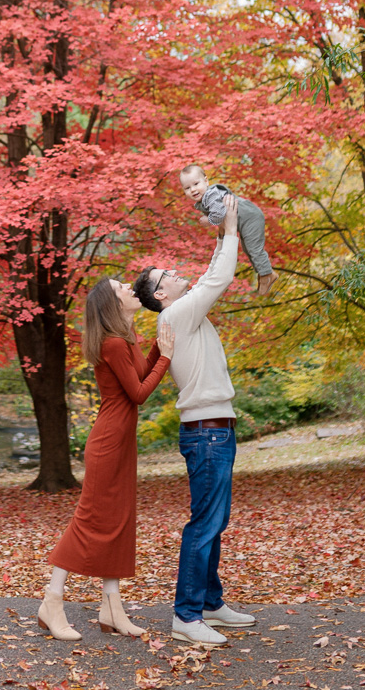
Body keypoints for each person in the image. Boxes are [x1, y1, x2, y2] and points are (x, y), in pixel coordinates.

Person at [132, 196, 256, 648]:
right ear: (161, 294)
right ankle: (186, 615)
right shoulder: (176, 313)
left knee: (214, 520)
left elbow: (207, 275)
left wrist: (220, 227)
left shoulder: (183, 310)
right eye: (165, 275)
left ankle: (208, 602)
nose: (174, 271)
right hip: (207, 435)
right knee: (204, 522)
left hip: (216, 430)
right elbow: (219, 277)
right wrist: (230, 229)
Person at [38, 277, 175, 641]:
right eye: (122, 288)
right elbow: (139, 393)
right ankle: (52, 601)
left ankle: (112, 608)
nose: (132, 288)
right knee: (89, 520)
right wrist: (168, 357)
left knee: (119, 520)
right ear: (111, 303)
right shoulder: (113, 342)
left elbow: (140, 374)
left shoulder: (124, 337)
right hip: (108, 442)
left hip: (120, 441)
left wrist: (160, 350)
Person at [180, 164, 278, 293]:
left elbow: (219, 214)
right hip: (244, 219)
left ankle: (267, 274)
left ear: (206, 181)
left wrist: (208, 220)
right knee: (247, 248)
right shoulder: (205, 199)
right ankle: (263, 272)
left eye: (196, 184)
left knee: (254, 248)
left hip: (249, 217)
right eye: (187, 188)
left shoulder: (211, 195)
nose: (193, 190)